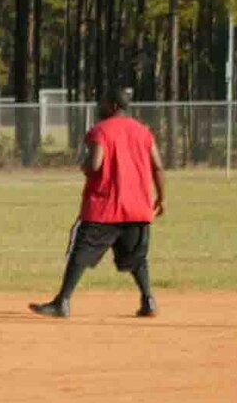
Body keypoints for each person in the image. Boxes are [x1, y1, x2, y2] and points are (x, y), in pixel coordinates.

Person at [31, 86, 163, 320]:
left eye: (102, 101)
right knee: (136, 257)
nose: (98, 105)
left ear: (112, 106)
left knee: (80, 252)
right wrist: (161, 196)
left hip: (104, 208)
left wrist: (83, 166)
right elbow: (157, 165)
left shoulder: (100, 130)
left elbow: (95, 164)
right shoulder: (143, 131)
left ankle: (63, 302)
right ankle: (148, 300)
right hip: (138, 207)